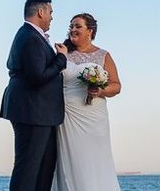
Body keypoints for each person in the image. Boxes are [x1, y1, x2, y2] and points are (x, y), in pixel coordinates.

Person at [0, 0, 69, 191]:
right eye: (51, 13)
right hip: (31, 111)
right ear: (41, 12)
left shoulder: (31, 36)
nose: (52, 17)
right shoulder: (30, 36)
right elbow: (37, 77)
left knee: (44, 169)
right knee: (28, 169)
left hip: (40, 113)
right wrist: (61, 59)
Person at [52, 13, 123, 191]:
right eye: (71, 26)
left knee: (96, 162)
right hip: (68, 117)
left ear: (90, 31)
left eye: (78, 26)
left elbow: (116, 86)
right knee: (72, 161)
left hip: (94, 118)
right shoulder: (63, 54)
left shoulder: (103, 55)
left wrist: (100, 90)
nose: (73, 30)